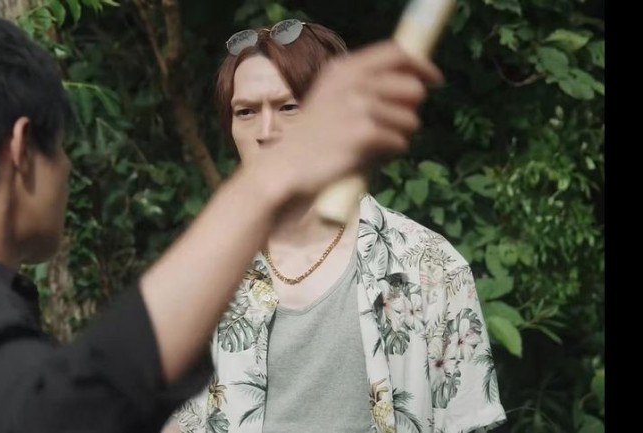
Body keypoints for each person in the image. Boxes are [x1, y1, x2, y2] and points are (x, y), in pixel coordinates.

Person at [0, 11, 443, 433]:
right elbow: (75, 411)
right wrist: (271, 180)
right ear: (21, 150)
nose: (67, 167)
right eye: (60, 146)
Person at [166, 20, 507, 433]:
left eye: (289, 107)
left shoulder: (430, 266)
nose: (266, 132)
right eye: (246, 112)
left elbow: (468, 422)